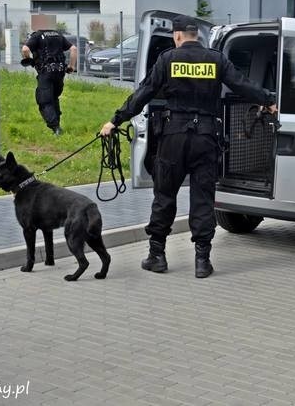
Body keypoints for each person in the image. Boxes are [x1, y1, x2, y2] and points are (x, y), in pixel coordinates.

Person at [100, 15, 276, 278]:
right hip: (206, 137)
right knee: (203, 199)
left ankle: (157, 256)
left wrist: (115, 120)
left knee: (164, 197)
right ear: (196, 35)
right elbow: (241, 84)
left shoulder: (168, 59)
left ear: (178, 36)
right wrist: (268, 100)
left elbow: (144, 93)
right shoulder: (216, 59)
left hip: (174, 137)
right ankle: (202, 261)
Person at [21, 26, 78, 135]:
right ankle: (57, 125)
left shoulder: (37, 35)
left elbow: (25, 49)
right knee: (54, 98)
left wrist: (29, 60)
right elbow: (74, 49)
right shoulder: (58, 35)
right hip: (60, 72)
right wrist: (71, 66)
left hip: (46, 72)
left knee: (44, 100)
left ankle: (56, 128)